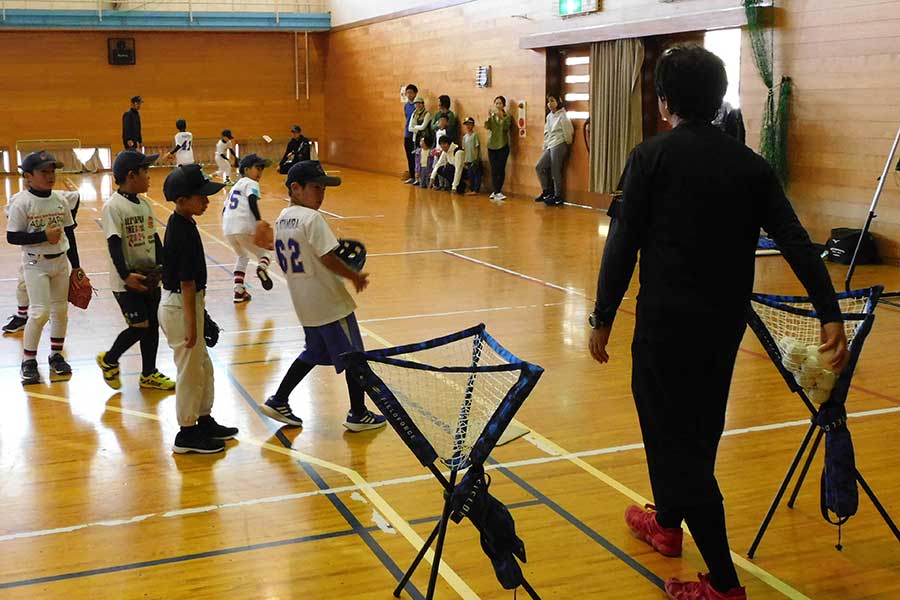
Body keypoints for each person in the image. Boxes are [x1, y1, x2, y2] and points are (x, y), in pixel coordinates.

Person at [588, 45, 848, 600]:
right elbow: (797, 241)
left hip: (663, 329)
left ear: (664, 103)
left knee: (672, 441)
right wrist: (829, 309)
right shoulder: (750, 165)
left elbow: (623, 246)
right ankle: (666, 524)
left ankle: (725, 586)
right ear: (718, 98)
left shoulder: (649, 157)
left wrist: (602, 315)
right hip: (724, 327)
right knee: (697, 430)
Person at [260, 161, 386, 432]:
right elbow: (327, 256)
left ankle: (279, 399)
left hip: (305, 303)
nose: (321, 194)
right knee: (355, 357)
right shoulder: (312, 218)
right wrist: (354, 276)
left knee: (314, 351)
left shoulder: (282, 218)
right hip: (330, 303)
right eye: (316, 187)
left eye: (323, 189)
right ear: (296, 188)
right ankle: (358, 413)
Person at [159, 164, 238, 453]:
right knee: (190, 372)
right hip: (181, 307)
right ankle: (186, 432)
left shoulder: (185, 223)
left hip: (189, 305)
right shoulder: (181, 231)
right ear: (181, 200)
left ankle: (203, 420)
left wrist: (203, 318)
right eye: (200, 196)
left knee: (203, 367)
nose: (206, 200)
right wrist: (193, 325)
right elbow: (187, 283)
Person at [96, 150, 175, 392]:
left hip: (150, 277)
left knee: (152, 325)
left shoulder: (145, 204)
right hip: (128, 282)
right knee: (139, 326)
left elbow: (153, 238)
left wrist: (164, 266)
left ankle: (149, 374)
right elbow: (113, 243)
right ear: (131, 175)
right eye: (145, 172)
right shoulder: (114, 207)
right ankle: (109, 358)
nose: (150, 176)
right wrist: (125, 276)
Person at [6, 151, 85, 385]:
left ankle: (56, 355)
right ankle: (28, 360)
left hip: (60, 262)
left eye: (52, 171)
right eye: (44, 172)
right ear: (29, 176)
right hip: (35, 263)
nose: (50, 176)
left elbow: (69, 232)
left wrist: (77, 266)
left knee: (60, 311)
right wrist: (43, 235)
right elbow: (12, 237)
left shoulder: (60, 200)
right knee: (39, 312)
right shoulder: (22, 202)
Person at [3, 175, 80, 335]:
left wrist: (72, 220)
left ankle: (53, 333)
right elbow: (13, 231)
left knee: (57, 306)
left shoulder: (58, 197)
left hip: (57, 254)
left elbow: (76, 196)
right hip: (33, 254)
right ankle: (22, 316)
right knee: (23, 284)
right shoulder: (18, 201)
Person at [222, 154, 274, 303]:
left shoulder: (234, 187)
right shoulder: (251, 183)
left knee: (242, 256)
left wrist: (228, 224)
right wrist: (258, 220)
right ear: (246, 169)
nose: (260, 173)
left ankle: (239, 291)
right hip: (243, 226)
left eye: (262, 169)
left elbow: (224, 209)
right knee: (265, 254)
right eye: (258, 168)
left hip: (228, 227)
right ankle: (262, 268)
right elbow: (252, 199)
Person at [534, 94, 573, 206]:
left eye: (552, 101)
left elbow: (568, 133)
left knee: (555, 170)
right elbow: (547, 133)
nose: (549, 103)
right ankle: (546, 192)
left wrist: (565, 144)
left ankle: (558, 196)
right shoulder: (549, 116)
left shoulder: (563, 116)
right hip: (550, 145)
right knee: (539, 166)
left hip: (559, 144)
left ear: (558, 102)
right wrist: (545, 145)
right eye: (548, 101)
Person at [484, 95, 513, 201]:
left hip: (502, 145)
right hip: (491, 145)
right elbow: (487, 126)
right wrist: (488, 117)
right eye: (496, 103)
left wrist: (501, 117)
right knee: (494, 169)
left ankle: (498, 191)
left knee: (501, 169)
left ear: (504, 105)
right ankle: (495, 191)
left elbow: (506, 127)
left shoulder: (507, 116)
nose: (498, 105)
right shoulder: (492, 116)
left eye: (500, 103)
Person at [461, 117, 482, 196]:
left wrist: (476, 158)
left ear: (473, 125)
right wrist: (465, 159)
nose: (468, 126)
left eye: (470, 124)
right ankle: (472, 188)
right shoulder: (464, 137)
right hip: (468, 159)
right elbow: (464, 149)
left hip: (474, 159)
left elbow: (476, 147)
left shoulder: (475, 135)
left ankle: (476, 190)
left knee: (477, 174)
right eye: (466, 125)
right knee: (470, 175)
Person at [402, 84, 419, 183]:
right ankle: (412, 176)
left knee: (416, 157)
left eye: (411, 92)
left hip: (415, 135)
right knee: (409, 156)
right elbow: (407, 118)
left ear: (415, 93)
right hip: (407, 134)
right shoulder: (406, 105)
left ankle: (418, 177)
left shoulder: (417, 105)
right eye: (407, 93)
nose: (409, 95)